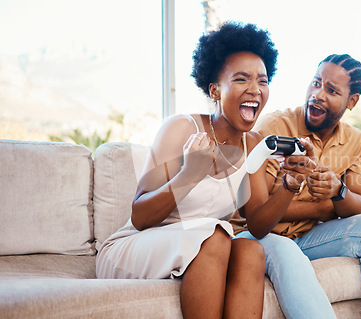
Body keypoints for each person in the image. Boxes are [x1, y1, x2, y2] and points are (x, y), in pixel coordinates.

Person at [96, 22, 314, 319]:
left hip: (203, 246)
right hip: (136, 247)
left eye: (262, 81)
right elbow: (140, 216)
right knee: (215, 234)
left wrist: (290, 184)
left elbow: (259, 224)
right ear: (215, 89)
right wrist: (190, 174)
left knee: (250, 251)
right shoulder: (182, 128)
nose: (255, 89)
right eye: (241, 79)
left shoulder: (254, 144)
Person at [230, 54, 361, 318]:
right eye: (316, 83)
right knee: (286, 250)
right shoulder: (274, 128)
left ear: (352, 101)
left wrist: (338, 190)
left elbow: (359, 203)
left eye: (331, 90)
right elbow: (257, 217)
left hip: (306, 238)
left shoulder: (355, 141)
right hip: (257, 237)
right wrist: (322, 208)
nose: (318, 94)